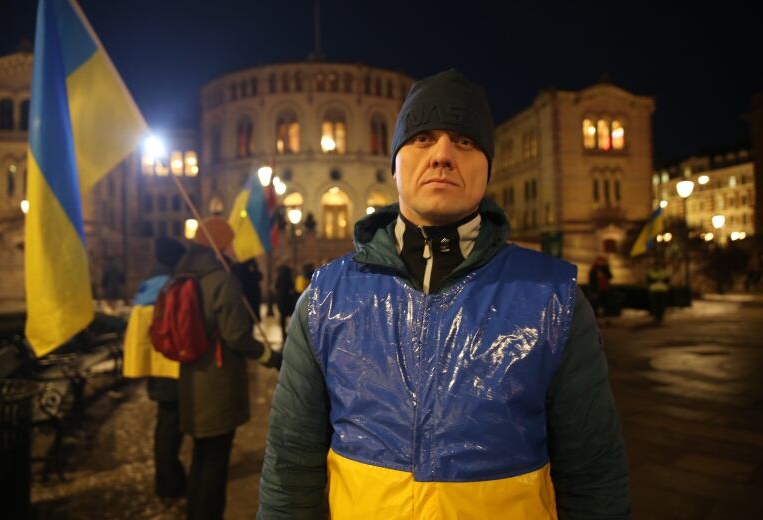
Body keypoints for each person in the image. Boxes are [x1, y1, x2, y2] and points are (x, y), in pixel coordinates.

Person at [258, 69, 630, 519]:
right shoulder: (326, 299)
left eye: (465, 141)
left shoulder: (554, 297)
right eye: (422, 138)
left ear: (487, 166)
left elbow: (593, 474)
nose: (442, 155)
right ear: (393, 163)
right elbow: (289, 464)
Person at [175, 217, 281, 520]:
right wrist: (270, 357)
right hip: (217, 383)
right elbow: (236, 336)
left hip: (191, 380)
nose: (234, 248)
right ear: (218, 244)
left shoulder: (184, 274)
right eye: (229, 241)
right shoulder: (221, 280)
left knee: (201, 456)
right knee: (215, 462)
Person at [122, 236, 187, 500]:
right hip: (171, 364)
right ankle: (169, 482)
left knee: (165, 423)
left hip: (155, 364)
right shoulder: (170, 287)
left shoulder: (147, 285)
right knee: (171, 426)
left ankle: (166, 479)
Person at [274, 265, 296, 342]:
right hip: (288, 302)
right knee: (291, 318)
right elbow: (292, 290)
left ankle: (283, 335)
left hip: (281, 301)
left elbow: (276, 287)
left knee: (282, 318)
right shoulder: (289, 279)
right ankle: (290, 334)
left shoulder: (279, 278)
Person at [647, 258, 670, 323]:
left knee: (661, 304)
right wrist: (658, 280)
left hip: (662, 290)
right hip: (654, 291)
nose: (656, 266)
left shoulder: (663, 271)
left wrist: (658, 280)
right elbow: (649, 280)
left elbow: (667, 280)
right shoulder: (650, 272)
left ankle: (660, 317)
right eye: (655, 265)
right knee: (655, 305)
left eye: (657, 265)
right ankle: (656, 317)